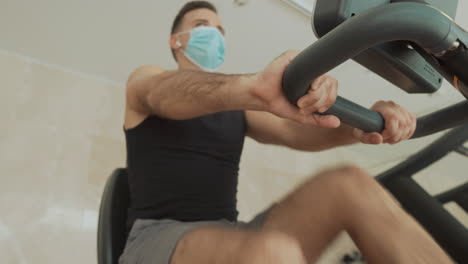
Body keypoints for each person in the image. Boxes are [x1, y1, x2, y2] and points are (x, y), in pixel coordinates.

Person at [120, 1, 452, 263]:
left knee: (349, 183)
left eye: (221, 29)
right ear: (176, 40)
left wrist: (361, 125)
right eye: (203, 26)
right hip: (156, 238)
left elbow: (294, 132)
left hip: (230, 234)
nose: (216, 35)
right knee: (272, 254)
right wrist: (251, 87)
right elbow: (161, 93)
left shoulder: (238, 108)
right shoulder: (147, 79)